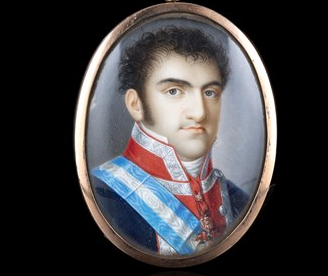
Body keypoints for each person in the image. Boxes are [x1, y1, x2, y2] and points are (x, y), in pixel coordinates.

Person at [90, 25, 249, 256]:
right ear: (136, 104)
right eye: (174, 91)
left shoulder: (239, 201)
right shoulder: (103, 196)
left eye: (209, 93)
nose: (199, 113)